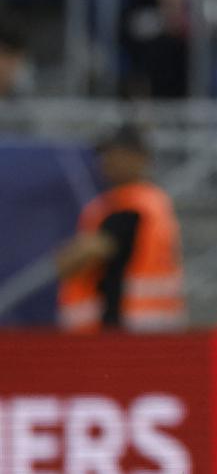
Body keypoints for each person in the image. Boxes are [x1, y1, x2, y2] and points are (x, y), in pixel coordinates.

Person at [57, 126, 185, 333]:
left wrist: (67, 255)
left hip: (126, 326)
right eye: (105, 154)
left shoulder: (129, 206)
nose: (107, 161)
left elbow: (79, 257)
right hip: (155, 324)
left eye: (116, 154)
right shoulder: (155, 202)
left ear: (139, 157)